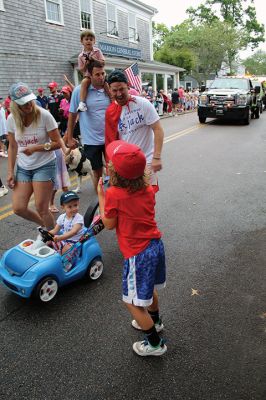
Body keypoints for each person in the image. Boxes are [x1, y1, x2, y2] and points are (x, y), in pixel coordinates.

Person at [97, 140, 167, 357]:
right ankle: (155, 321)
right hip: (155, 246)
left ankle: (155, 344)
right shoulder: (147, 188)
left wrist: (102, 195)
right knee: (149, 290)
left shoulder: (115, 194)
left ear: (113, 171)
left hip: (138, 253)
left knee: (131, 302)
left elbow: (108, 224)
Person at [6, 82, 61, 231]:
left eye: (30, 100)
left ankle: (54, 240)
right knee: (18, 208)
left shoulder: (44, 115)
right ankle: (47, 228)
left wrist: (37, 148)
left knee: (41, 207)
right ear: (15, 104)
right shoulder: (11, 119)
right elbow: (12, 146)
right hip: (24, 167)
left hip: (45, 164)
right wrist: (11, 171)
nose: (29, 104)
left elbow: (58, 143)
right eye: (24, 103)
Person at [105, 69, 164, 191]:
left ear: (128, 86)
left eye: (122, 89)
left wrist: (156, 157)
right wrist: (112, 166)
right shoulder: (111, 111)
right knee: (129, 199)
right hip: (125, 164)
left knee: (147, 198)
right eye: (115, 90)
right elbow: (111, 142)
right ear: (109, 90)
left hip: (146, 160)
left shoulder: (143, 104)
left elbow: (158, 129)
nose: (119, 94)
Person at [67, 60, 111, 191]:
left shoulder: (108, 89)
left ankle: (114, 199)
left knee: (113, 170)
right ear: (89, 75)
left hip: (110, 138)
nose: (101, 77)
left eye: (103, 73)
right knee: (97, 173)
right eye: (97, 74)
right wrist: (69, 137)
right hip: (91, 140)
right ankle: (101, 201)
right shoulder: (79, 91)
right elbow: (72, 115)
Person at [77, 29, 106, 112]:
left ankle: (111, 98)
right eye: (86, 39)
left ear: (94, 41)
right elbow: (81, 70)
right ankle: (82, 103)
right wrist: (86, 64)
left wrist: (94, 59)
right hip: (89, 75)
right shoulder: (80, 56)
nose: (88, 41)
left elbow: (103, 63)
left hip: (99, 73)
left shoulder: (97, 51)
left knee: (106, 83)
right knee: (84, 82)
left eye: (91, 39)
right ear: (82, 41)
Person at [49, 191, 86, 255]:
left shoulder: (79, 218)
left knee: (66, 249)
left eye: (75, 205)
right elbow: (55, 230)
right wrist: (47, 234)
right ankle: (52, 253)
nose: (74, 208)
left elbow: (73, 232)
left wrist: (60, 238)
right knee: (48, 241)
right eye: (70, 207)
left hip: (75, 241)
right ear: (63, 207)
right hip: (65, 239)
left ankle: (63, 262)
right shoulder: (62, 217)